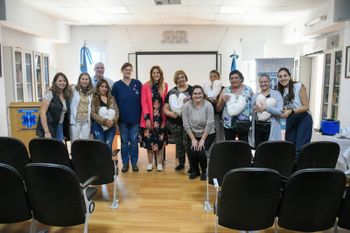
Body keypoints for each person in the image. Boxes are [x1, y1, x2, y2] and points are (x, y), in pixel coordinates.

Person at [112, 63, 142, 172]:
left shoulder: (137, 84)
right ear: (122, 71)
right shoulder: (116, 85)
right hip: (122, 119)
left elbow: (142, 101)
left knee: (134, 142)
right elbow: (113, 103)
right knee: (124, 142)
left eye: (129, 70)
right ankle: (125, 164)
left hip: (135, 119)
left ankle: (134, 163)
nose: (128, 71)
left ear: (131, 71)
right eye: (126, 69)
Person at [277, 67, 313, 159]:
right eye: (280, 76)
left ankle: (300, 171)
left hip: (303, 118)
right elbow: (282, 107)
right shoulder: (279, 91)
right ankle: (290, 170)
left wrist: (291, 111)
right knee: (290, 147)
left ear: (290, 76)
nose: (283, 78)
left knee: (300, 148)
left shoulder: (298, 86)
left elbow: (306, 106)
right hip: (291, 119)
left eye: (285, 75)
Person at [182, 85, 215, 180]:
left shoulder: (208, 105)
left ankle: (204, 171)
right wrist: (193, 139)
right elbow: (186, 124)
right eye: (195, 93)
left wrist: (202, 139)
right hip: (192, 134)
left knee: (201, 151)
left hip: (208, 133)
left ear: (203, 94)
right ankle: (195, 171)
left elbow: (210, 123)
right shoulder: (186, 106)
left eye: (199, 93)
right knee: (192, 151)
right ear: (191, 95)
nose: (197, 95)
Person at [140, 66, 168, 171]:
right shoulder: (145, 86)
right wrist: (147, 118)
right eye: (154, 72)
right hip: (149, 118)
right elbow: (144, 103)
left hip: (161, 119)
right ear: (151, 74)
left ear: (160, 74)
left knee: (160, 142)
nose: (156, 74)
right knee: (149, 141)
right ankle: (150, 163)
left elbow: (165, 102)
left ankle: (159, 163)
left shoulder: (164, 85)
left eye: (158, 73)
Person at [163, 70, 192, 172]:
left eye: (182, 77)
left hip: (189, 123)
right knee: (179, 144)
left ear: (185, 77)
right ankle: (181, 163)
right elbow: (165, 108)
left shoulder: (192, 90)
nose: (180, 79)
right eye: (178, 78)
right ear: (176, 80)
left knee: (187, 144)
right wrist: (170, 113)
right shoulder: (172, 92)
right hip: (174, 123)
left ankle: (192, 165)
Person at [216, 70, 254, 142]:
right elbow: (218, 109)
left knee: (244, 147)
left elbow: (254, 104)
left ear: (241, 79)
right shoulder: (225, 90)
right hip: (228, 125)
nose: (233, 80)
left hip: (244, 124)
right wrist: (222, 101)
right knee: (229, 147)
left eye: (236, 78)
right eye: (231, 78)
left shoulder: (248, 90)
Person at [36, 72, 72, 141]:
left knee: (59, 148)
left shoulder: (66, 94)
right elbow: (42, 113)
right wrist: (46, 132)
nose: (62, 83)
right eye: (60, 81)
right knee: (50, 149)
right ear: (55, 82)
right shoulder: (49, 94)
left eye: (64, 81)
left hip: (60, 125)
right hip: (49, 126)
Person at [251, 74, 283, 148]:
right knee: (259, 150)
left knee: (270, 150)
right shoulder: (255, 96)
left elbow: (280, 112)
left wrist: (266, 108)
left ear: (270, 82)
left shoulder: (276, 94)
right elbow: (251, 112)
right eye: (261, 82)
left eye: (265, 81)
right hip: (257, 128)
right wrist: (254, 109)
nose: (263, 84)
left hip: (271, 127)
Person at [91, 79, 119, 151]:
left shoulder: (111, 98)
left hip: (111, 126)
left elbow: (117, 111)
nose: (104, 89)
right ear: (98, 87)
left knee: (108, 146)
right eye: (102, 86)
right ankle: (100, 162)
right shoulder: (94, 98)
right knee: (100, 146)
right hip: (97, 126)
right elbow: (93, 113)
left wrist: (113, 121)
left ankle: (107, 162)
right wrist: (104, 121)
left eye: (106, 87)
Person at [70, 72, 94, 142]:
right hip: (75, 122)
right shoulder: (73, 89)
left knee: (84, 143)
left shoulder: (91, 92)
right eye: (82, 79)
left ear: (89, 81)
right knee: (74, 142)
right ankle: (74, 153)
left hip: (86, 122)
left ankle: (83, 153)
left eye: (86, 79)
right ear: (79, 80)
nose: (84, 81)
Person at [203, 70, 225, 143]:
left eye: (215, 76)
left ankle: (219, 152)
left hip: (218, 116)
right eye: (211, 77)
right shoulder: (206, 88)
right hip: (207, 117)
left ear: (219, 78)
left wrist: (213, 98)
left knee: (219, 135)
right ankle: (209, 153)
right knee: (209, 136)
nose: (213, 78)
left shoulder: (223, 88)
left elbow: (217, 102)